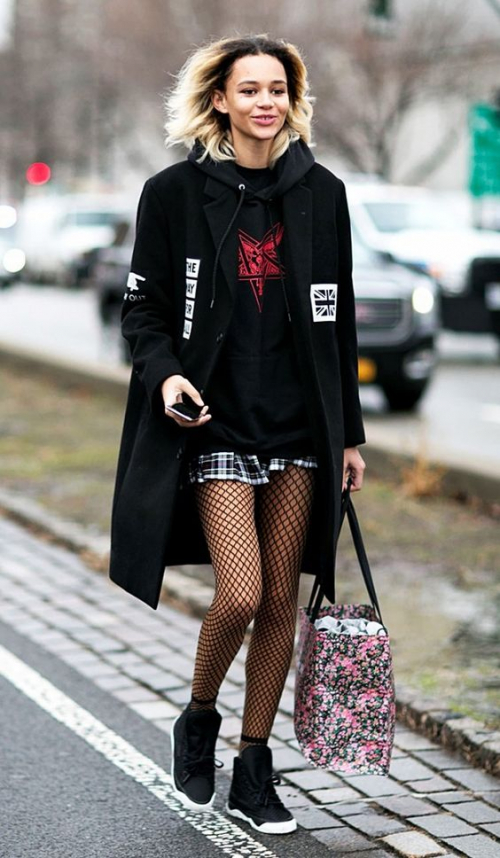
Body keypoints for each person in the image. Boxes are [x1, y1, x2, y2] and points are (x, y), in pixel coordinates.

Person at [109, 34, 365, 835]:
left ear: (293, 99)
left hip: (298, 427)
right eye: (249, 89)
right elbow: (142, 309)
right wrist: (165, 375)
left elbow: (340, 323)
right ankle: (199, 717)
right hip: (216, 423)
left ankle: (255, 765)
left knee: (282, 601)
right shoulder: (174, 193)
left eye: (277, 89)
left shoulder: (322, 193)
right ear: (219, 99)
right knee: (242, 593)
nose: (265, 103)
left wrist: (349, 435)